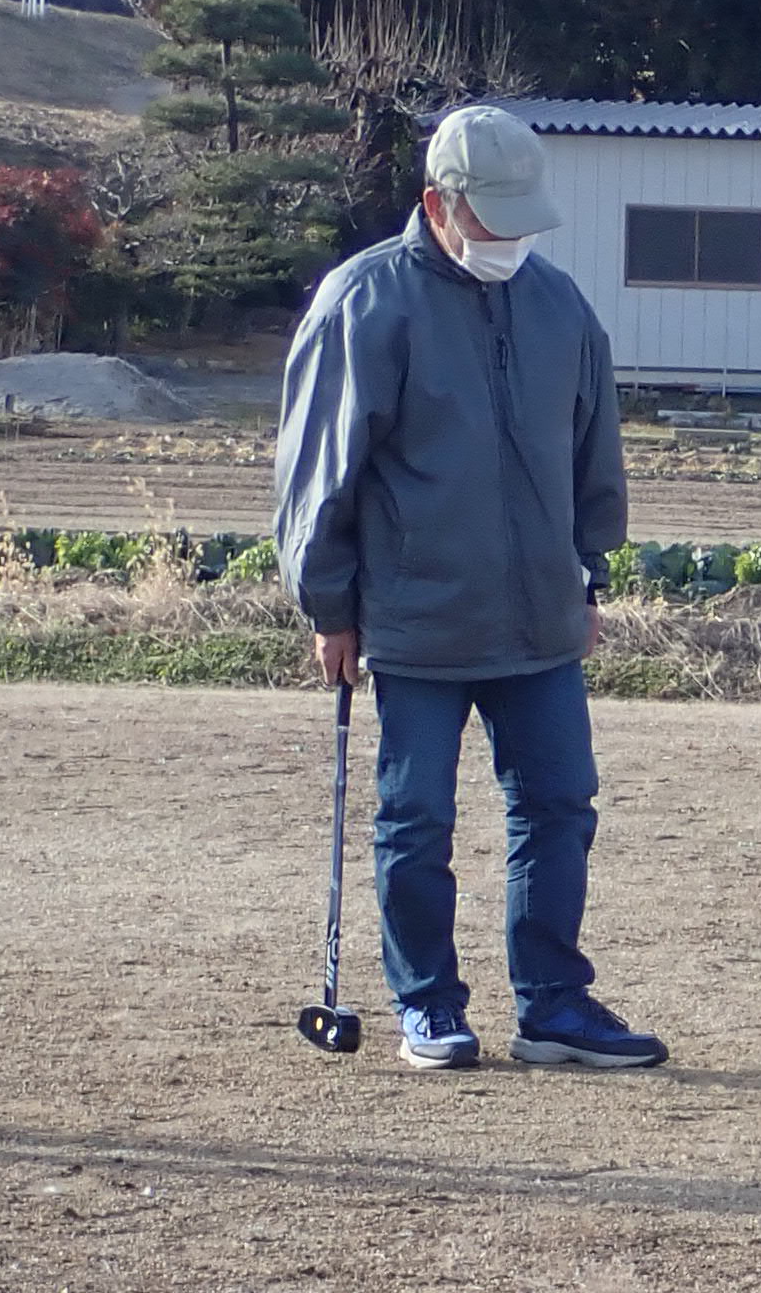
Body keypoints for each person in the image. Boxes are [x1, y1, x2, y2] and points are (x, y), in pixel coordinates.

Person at [274, 105, 656, 1073]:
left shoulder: (558, 303)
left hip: (538, 611)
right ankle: (428, 1004)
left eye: (524, 220)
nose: (510, 241)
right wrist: (330, 605)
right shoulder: (367, 300)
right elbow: (321, 468)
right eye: (491, 220)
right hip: (412, 614)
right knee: (417, 819)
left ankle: (555, 1005)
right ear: (436, 204)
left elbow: (590, 450)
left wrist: (590, 572)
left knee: (561, 806)